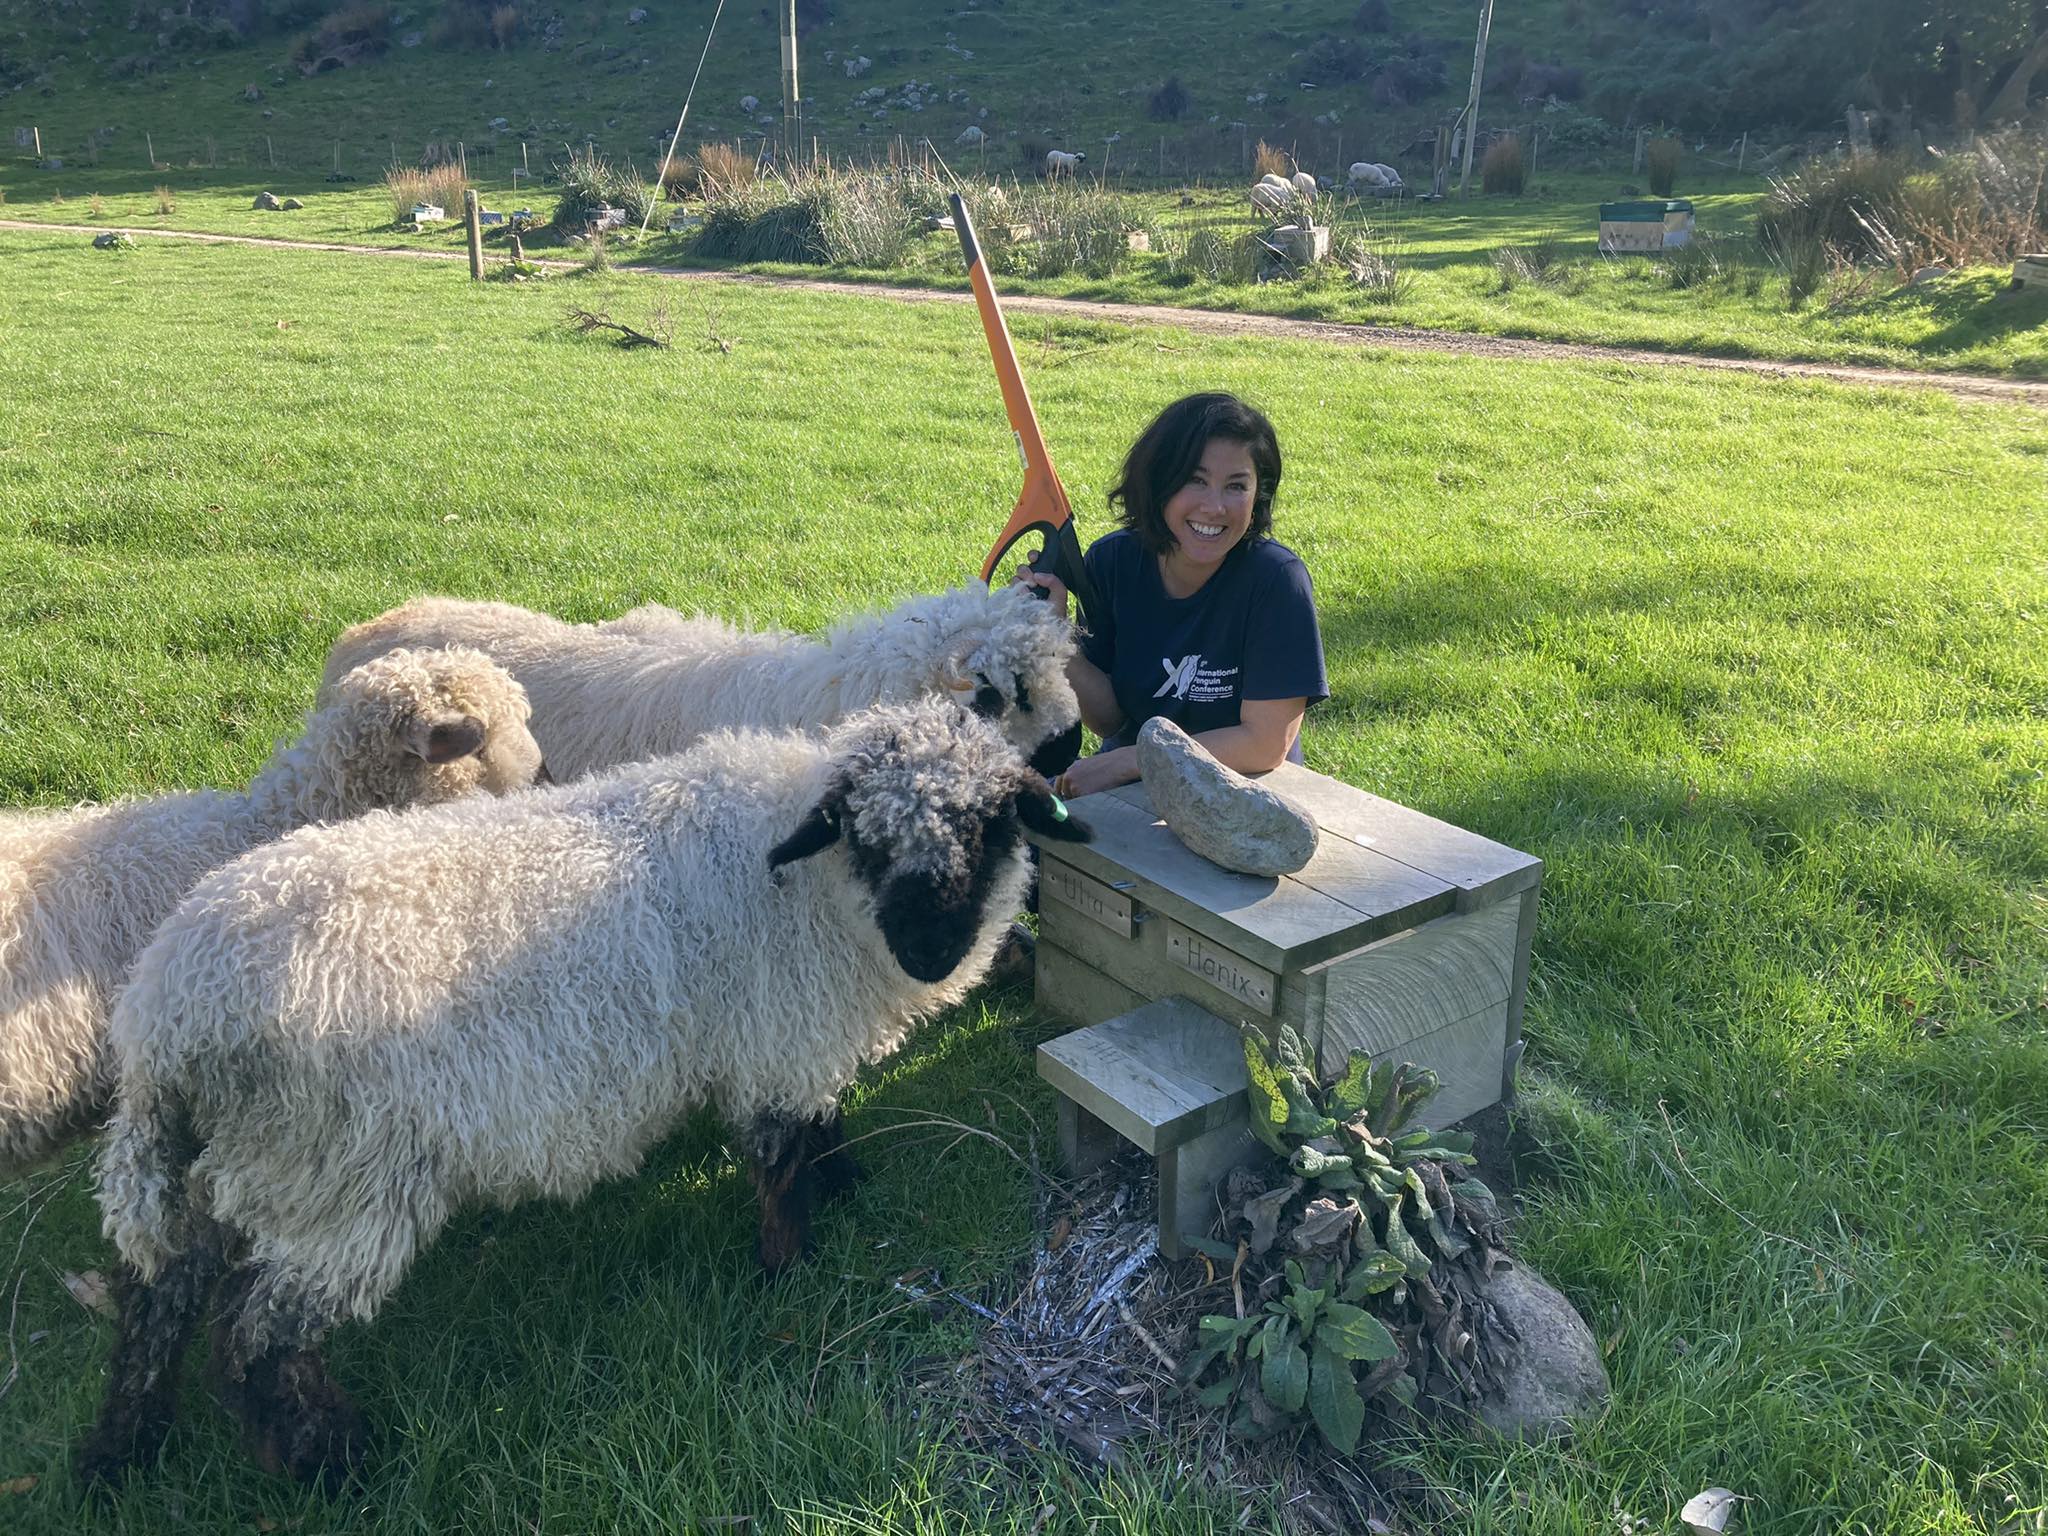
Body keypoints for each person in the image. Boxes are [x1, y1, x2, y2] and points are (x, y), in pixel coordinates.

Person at [1017, 391, 1328, 798]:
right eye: (1195, 480)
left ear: (1259, 496)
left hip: (1245, 790)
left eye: (1236, 486)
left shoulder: (1276, 581)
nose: (1215, 507)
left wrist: (1131, 760)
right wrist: (1056, 638)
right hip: (1136, 780)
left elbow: (1266, 743)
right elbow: (1112, 721)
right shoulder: (1113, 562)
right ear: (1158, 481)